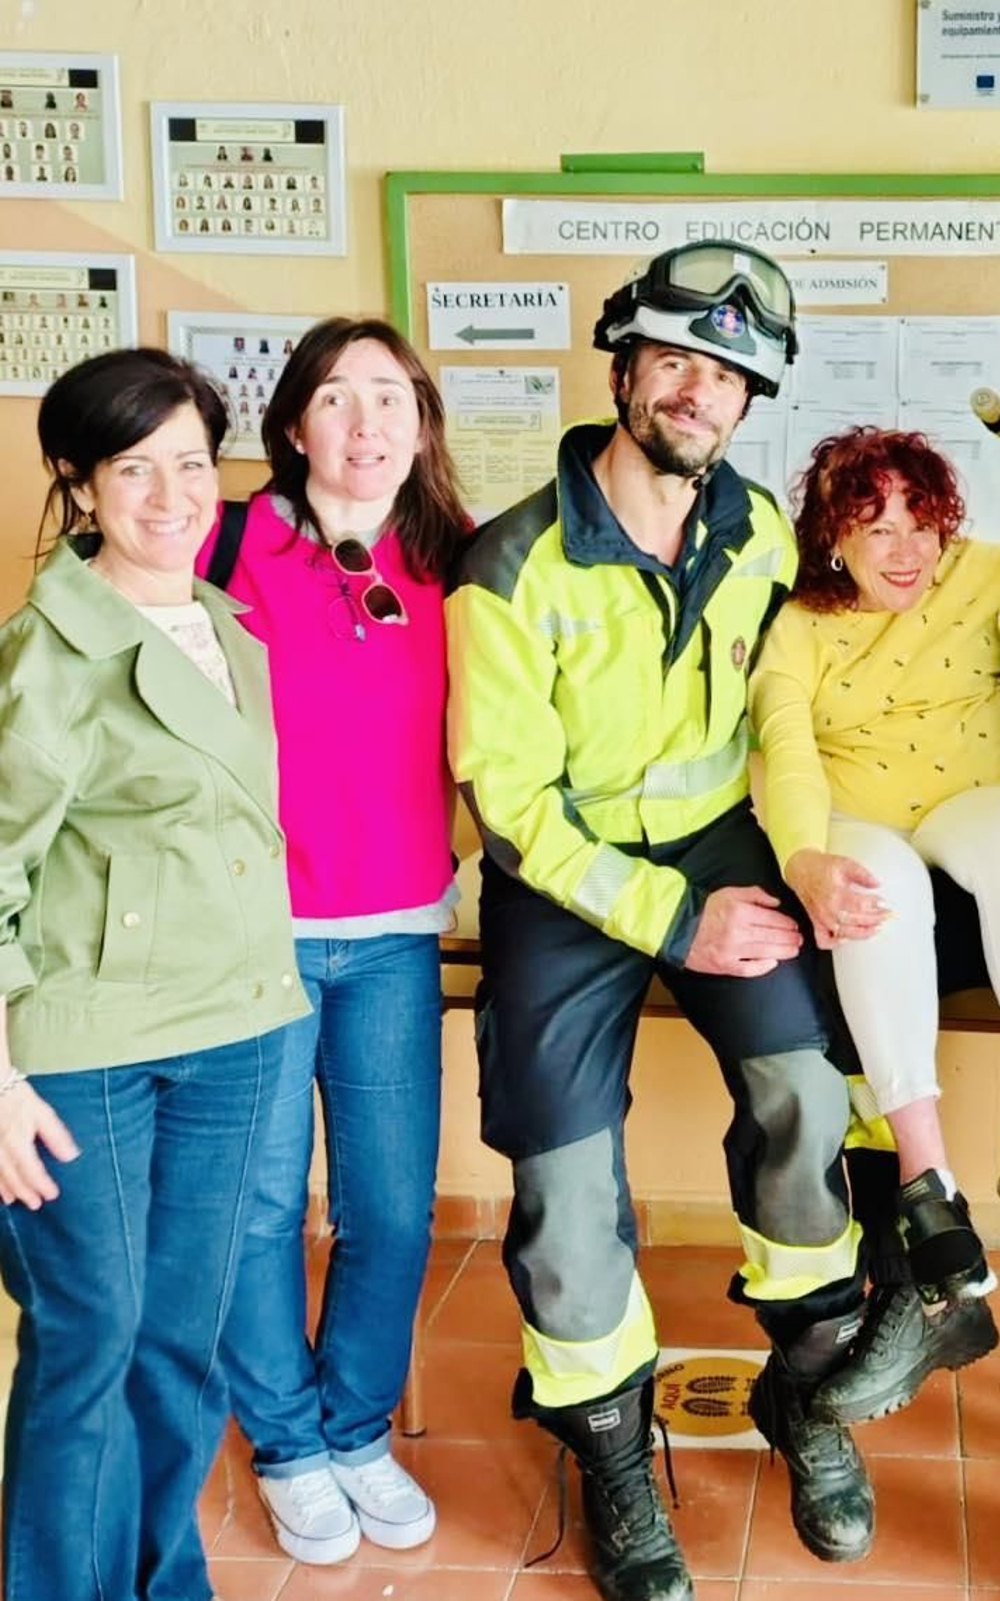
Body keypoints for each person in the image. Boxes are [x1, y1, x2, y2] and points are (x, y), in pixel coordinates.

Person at [448, 240, 874, 1601]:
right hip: (565, 885)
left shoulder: (760, 536)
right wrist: (675, 924)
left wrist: (802, 864)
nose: (700, 391)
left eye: (730, 375)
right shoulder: (506, 564)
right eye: (678, 360)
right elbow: (510, 808)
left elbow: (798, 708)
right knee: (568, 1202)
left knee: (809, 1094)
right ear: (625, 367)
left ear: (751, 404)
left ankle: (808, 1394)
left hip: (721, 848)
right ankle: (617, 1460)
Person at [0, 348, 305, 1600]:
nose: (172, 493)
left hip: (237, 1027)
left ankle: (163, 1580)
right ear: (80, 484)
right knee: (90, 1339)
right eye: (135, 468)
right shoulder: (47, 651)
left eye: (192, 461)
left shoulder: (229, 624)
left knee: (182, 1340)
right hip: (86, 1046)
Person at [748, 424, 1000, 1413]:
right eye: (873, 524)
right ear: (832, 537)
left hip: (964, 803)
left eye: (920, 523)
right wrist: (803, 854)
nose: (903, 549)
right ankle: (927, 1181)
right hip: (860, 815)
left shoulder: (990, 575)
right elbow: (787, 745)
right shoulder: (800, 624)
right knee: (871, 883)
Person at [203, 318, 468, 1565]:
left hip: (395, 937)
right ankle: (290, 1444)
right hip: (252, 939)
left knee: (393, 1209)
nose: (366, 423)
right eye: (337, 397)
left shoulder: (455, 561)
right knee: (256, 1210)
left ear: (421, 424)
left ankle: (358, 1428)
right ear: (295, 422)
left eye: (390, 398)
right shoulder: (226, 538)